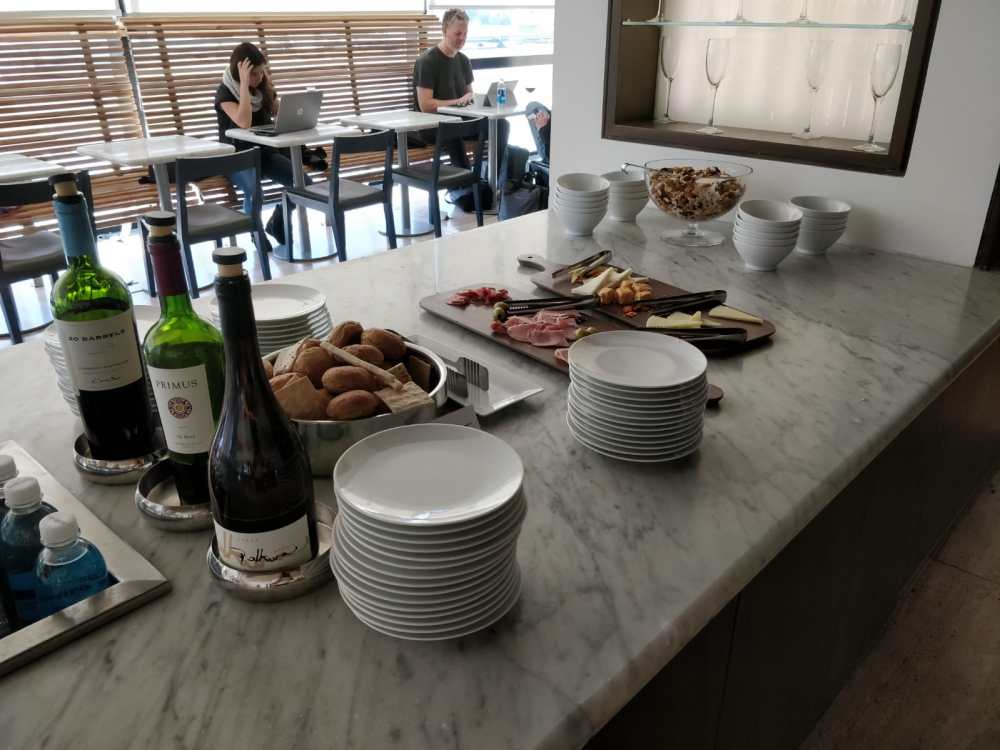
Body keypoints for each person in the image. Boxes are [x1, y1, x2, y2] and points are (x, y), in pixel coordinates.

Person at [214, 41, 302, 245]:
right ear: (240, 72)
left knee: (302, 183)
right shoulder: (225, 93)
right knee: (255, 193)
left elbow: (278, 111)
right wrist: (244, 85)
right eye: (254, 74)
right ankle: (256, 233)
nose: (259, 78)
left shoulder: (261, 89)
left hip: (264, 153)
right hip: (237, 157)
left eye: (262, 72)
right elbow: (244, 121)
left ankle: (278, 220)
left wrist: (292, 111)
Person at [412, 8, 509, 178]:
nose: (462, 38)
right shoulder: (427, 61)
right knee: (453, 128)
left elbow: (468, 98)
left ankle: (492, 179)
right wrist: (457, 102)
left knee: (501, 125)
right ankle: (468, 184)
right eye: (458, 33)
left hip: (458, 121)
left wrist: (478, 100)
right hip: (432, 125)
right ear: (444, 30)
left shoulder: (463, 60)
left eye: (465, 34)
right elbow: (425, 105)